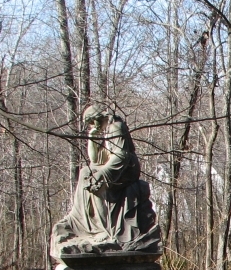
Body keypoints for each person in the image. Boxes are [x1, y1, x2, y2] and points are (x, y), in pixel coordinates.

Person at [50, 105, 161, 258]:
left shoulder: (116, 127)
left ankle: (103, 229)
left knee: (95, 183)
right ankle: (83, 222)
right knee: (85, 173)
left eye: (91, 123)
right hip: (115, 167)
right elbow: (95, 159)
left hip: (125, 169)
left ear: (97, 119)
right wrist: (92, 139)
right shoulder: (106, 130)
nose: (92, 126)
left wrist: (102, 173)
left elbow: (122, 155)